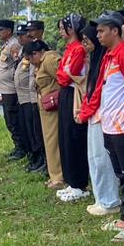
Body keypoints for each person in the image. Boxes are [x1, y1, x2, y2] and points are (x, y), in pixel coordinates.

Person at [79, 12, 124, 240]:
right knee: (122, 175)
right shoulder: (109, 56)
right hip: (110, 125)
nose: (97, 36)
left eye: (101, 31)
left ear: (115, 31)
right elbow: (100, 89)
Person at [79, 23, 121, 216]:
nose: (86, 45)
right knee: (94, 158)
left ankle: (110, 200)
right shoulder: (96, 59)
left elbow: (99, 91)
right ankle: (101, 197)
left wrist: (86, 110)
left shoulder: (106, 58)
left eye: (88, 40)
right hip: (93, 114)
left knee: (102, 159)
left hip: (101, 115)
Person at [55, 14, 91, 202]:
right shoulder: (69, 49)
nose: (61, 31)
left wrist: (64, 73)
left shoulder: (78, 50)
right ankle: (71, 180)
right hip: (65, 93)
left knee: (74, 136)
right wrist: (64, 72)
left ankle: (79, 182)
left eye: (63, 27)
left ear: (72, 28)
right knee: (65, 136)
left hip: (73, 94)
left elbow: (67, 76)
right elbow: (61, 74)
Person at [32, 40, 64, 187]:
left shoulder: (50, 59)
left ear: (36, 53)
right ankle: (54, 175)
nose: (31, 62)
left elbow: (63, 79)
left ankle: (58, 176)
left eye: (30, 58)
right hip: (46, 106)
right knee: (49, 141)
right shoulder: (41, 62)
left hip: (53, 106)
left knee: (53, 141)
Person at [14, 29, 46, 174]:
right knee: (32, 131)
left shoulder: (40, 49)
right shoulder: (26, 50)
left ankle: (42, 159)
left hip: (34, 96)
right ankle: (35, 157)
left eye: (29, 32)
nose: (26, 36)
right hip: (26, 97)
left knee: (39, 133)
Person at [0, 19, 25, 159]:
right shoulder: (7, 44)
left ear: (9, 31)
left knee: (13, 119)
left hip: (11, 90)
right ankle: (17, 146)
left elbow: (19, 63)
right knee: (9, 118)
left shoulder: (14, 45)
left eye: (1, 30)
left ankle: (21, 148)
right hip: (5, 89)